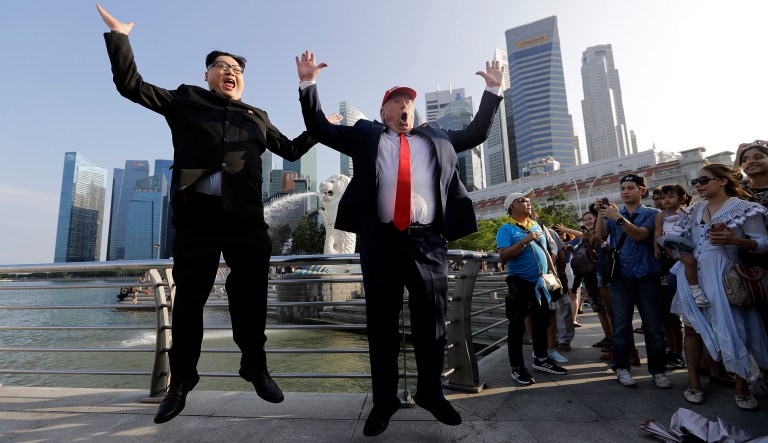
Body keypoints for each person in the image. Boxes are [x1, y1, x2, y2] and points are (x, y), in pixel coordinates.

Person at [97, 5, 319, 424]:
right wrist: (120, 37)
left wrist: (318, 125)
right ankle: (181, 382)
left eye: (236, 68)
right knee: (190, 303)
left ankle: (254, 364)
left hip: (246, 219)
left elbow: (290, 150)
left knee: (250, 294)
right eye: (221, 66)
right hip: (196, 217)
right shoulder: (185, 100)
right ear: (207, 75)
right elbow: (131, 85)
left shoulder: (258, 117)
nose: (230, 71)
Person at [295, 50, 504, 436]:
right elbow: (322, 129)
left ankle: (431, 393)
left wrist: (492, 89)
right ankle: (384, 400)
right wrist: (309, 84)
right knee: (381, 324)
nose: (405, 107)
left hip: (428, 243)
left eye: (409, 102)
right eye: (397, 102)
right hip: (382, 242)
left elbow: (477, 133)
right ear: (384, 111)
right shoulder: (366, 135)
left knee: (432, 321)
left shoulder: (437, 137)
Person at [671, 164, 768, 410]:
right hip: (692, 275)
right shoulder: (695, 210)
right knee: (691, 329)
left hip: (725, 276)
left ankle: (742, 387)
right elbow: (690, 241)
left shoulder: (744, 208)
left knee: (736, 328)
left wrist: (734, 240)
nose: (698, 184)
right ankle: (693, 383)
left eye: (704, 179)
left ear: (723, 181)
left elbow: (764, 243)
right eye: (695, 181)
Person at [595, 174, 672, 389]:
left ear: (642, 190)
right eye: (622, 189)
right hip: (620, 277)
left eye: (631, 188)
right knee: (620, 326)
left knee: (653, 327)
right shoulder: (612, 213)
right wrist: (602, 215)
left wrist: (618, 218)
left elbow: (639, 235)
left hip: (647, 275)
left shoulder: (652, 213)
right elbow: (600, 236)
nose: (625, 192)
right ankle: (621, 367)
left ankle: (658, 370)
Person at [497, 190, 568, 387]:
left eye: (529, 201)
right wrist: (523, 241)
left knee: (540, 323)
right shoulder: (506, 229)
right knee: (517, 326)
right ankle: (517, 368)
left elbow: (545, 253)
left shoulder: (536, 225)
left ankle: (541, 359)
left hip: (541, 284)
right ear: (511, 206)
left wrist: (553, 274)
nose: (528, 203)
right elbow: (503, 256)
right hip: (519, 282)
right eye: (523, 201)